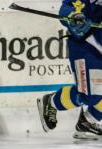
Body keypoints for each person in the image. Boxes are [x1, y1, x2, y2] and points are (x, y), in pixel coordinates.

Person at [37, 0, 102, 139]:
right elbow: (66, 7)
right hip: (86, 47)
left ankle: (88, 122)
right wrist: (74, 17)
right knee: (89, 95)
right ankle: (52, 101)